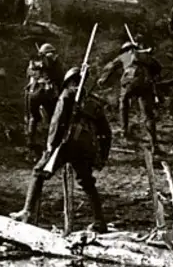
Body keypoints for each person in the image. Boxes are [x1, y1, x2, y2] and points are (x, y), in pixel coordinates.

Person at [11, 67, 112, 233]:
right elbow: (106, 133)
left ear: (69, 82)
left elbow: (57, 123)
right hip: (85, 147)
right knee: (87, 183)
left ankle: (27, 212)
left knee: (38, 172)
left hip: (66, 144)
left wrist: (51, 145)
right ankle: (100, 221)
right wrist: (102, 156)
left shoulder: (66, 95)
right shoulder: (94, 102)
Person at [97, 41, 164, 155]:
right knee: (148, 115)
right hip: (145, 83)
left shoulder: (125, 56)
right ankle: (154, 144)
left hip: (130, 82)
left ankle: (124, 131)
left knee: (123, 101)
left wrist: (103, 79)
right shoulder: (145, 56)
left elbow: (111, 66)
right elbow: (158, 68)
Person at [23, 43, 65, 155]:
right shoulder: (54, 62)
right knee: (53, 119)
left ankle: (30, 145)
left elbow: (29, 76)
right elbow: (60, 78)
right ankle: (49, 145)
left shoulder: (33, 63)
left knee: (33, 118)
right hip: (47, 93)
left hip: (32, 92)